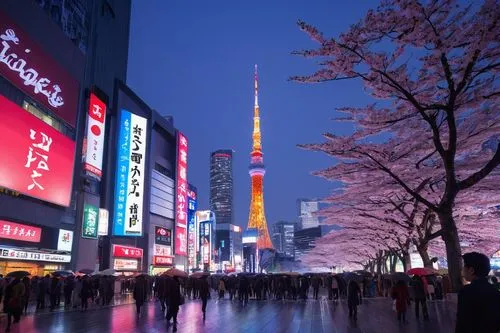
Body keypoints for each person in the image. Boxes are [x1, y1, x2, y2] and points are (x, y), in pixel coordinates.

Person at [455, 252, 500, 333]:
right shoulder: (495, 291)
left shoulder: (467, 291)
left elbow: (463, 322)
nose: (462, 270)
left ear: (471, 270)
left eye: (464, 266)